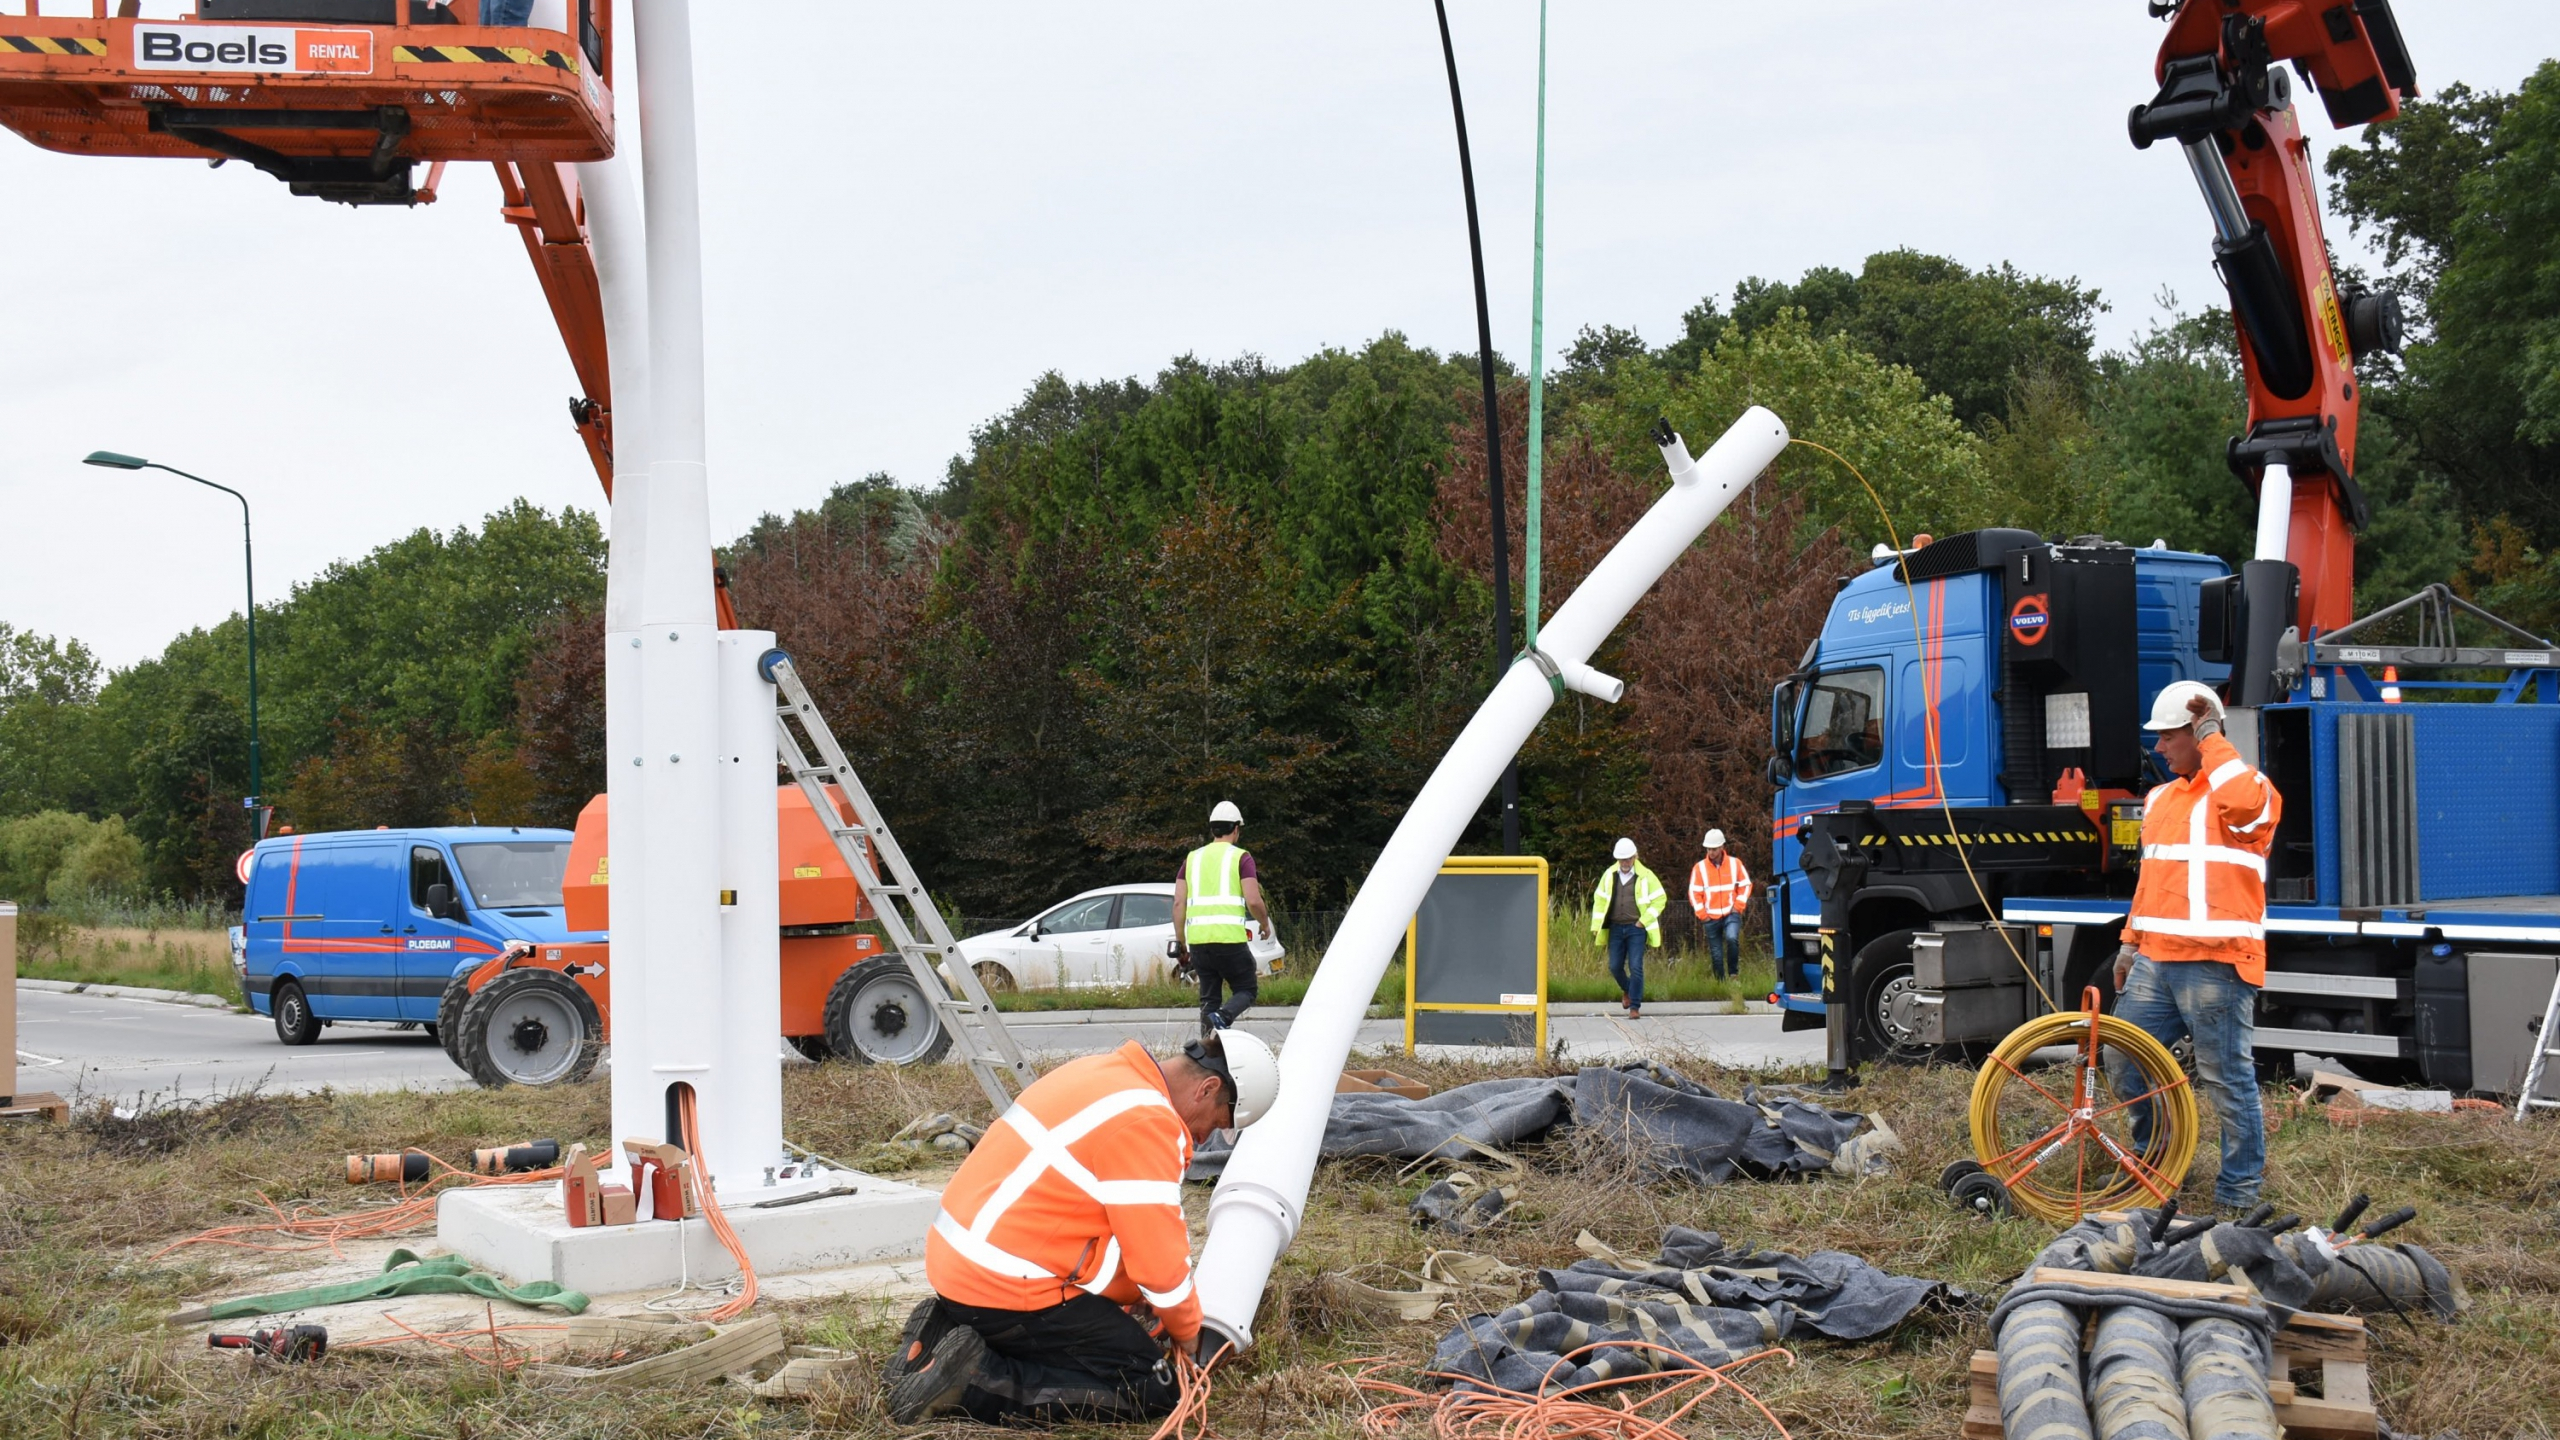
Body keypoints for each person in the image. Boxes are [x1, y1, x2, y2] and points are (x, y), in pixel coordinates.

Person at [887, 1030, 1282, 1424]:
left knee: (1105, 1334)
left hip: (959, 1267)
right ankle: (972, 1381)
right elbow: (1160, 1268)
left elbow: (1086, 1224)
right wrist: (1188, 1328)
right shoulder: (1149, 1122)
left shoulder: (1102, 1074)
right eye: (1221, 1120)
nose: (1209, 1134)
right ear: (1208, 1088)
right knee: (1150, 1385)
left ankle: (942, 1338)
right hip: (1002, 1287)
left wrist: (1129, 1294)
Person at [2109, 681, 2282, 1213]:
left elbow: (2245, 810)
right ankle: (2155, 1169)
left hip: (2217, 961)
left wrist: (2213, 739)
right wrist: (2129, 943)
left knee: (2226, 1079)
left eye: (2169, 736)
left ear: (2202, 733)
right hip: (2157, 960)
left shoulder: (2250, 790)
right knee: (2125, 1061)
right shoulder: (2161, 798)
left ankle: (2238, 1194)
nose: (2159, 748)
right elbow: (2152, 880)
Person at [1172, 801, 1273, 1037]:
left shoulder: (1191, 859)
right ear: (1236, 828)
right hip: (1229, 942)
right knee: (1246, 990)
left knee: (1209, 1000)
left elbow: (1178, 903)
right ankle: (1224, 1017)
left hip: (1199, 944)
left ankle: (1206, 1054)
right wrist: (1264, 924)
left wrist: (1182, 944)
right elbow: (1254, 900)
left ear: (1211, 830)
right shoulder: (1241, 858)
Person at [1587, 837, 1666, 1019]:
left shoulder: (1646, 876)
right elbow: (1599, 900)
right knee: (1615, 966)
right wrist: (1596, 925)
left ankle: (1635, 1007)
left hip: (1636, 928)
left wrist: (1643, 921)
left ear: (1635, 857)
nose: (1625, 863)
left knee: (1636, 966)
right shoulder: (1609, 875)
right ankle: (1628, 990)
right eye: (1621, 859)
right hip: (1615, 927)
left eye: (1628, 859)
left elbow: (1660, 898)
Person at [1686, 828, 1754, 980]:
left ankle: (1733, 975)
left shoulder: (1735, 864)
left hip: (1731, 913)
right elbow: (1694, 893)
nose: (1711, 852)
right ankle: (1720, 983)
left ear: (1722, 847)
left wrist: (1738, 906)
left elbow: (1746, 885)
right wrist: (1703, 915)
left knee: (1732, 939)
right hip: (1710, 917)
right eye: (1709, 849)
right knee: (1716, 953)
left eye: (1714, 849)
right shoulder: (1700, 868)